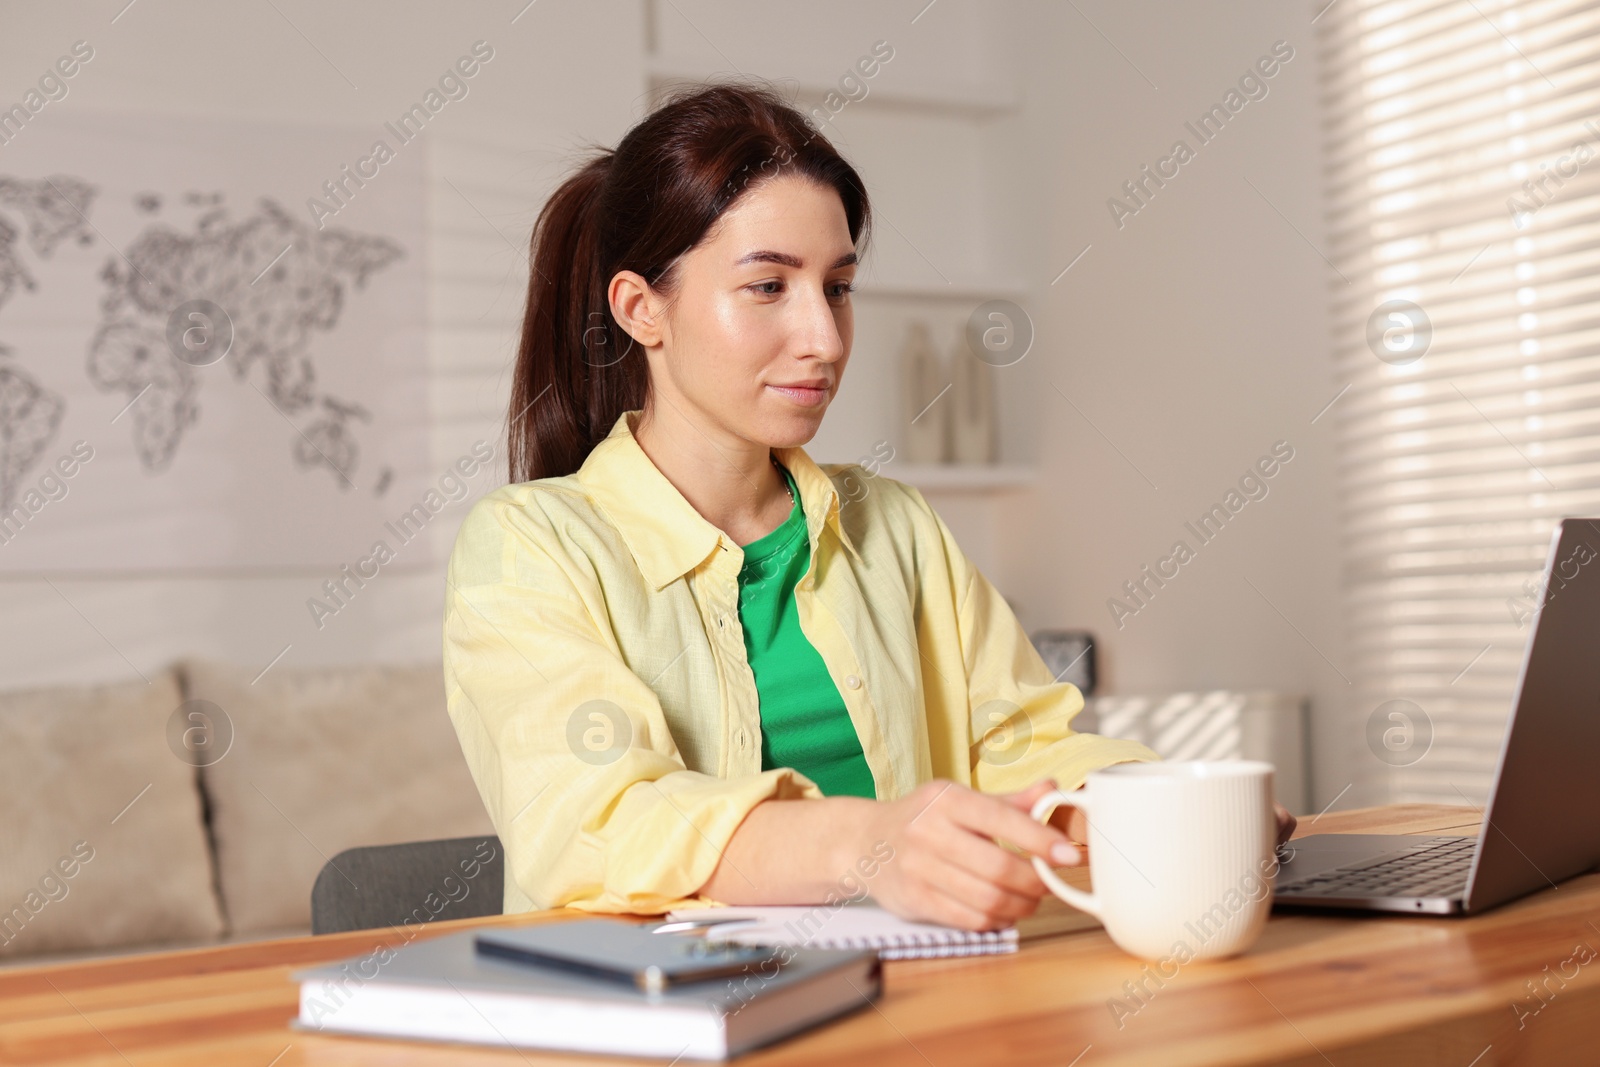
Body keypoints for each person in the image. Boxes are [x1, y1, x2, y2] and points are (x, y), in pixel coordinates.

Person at [442, 80, 1295, 932]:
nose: (823, 337)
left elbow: (1022, 745)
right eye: (769, 286)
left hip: (915, 998)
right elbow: (599, 822)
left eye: (838, 287)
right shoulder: (527, 548)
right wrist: (872, 841)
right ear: (640, 309)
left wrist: (1154, 815)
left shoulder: (892, 525)